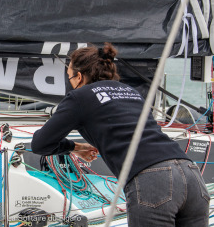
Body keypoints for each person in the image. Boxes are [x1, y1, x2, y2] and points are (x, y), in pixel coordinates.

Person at [31, 43, 209, 226]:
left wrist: (74, 147)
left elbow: (40, 143)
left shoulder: (80, 97)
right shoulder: (132, 93)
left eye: (69, 77)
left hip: (153, 180)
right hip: (190, 173)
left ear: (79, 77)